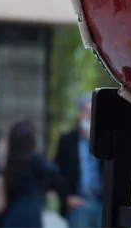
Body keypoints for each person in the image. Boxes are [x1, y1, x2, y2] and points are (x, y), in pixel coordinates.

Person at [0, 120, 66, 227]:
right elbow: (58, 180)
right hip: (30, 219)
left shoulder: (7, 163)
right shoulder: (38, 163)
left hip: (7, 219)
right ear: (31, 140)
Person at [54, 94, 103, 227]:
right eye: (88, 112)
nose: (91, 116)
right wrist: (66, 197)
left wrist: (95, 142)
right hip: (78, 203)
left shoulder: (105, 140)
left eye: (95, 112)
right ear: (80, 114)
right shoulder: (67, 140)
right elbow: (56, 173)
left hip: (102, 203)